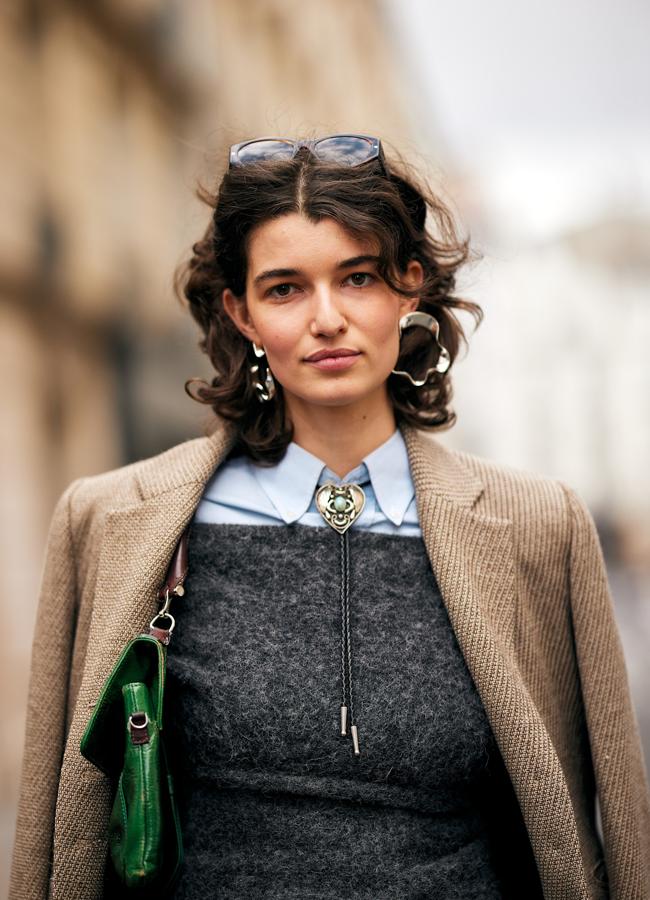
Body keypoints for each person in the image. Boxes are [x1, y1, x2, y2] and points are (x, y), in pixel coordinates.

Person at [9, 134, 650, 900]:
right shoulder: (110, 519)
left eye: (358, 278)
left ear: (409, 288)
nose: (327, 318)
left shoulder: (542, 526)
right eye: (284, 289)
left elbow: (619, 826)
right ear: (239, 312)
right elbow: (52, 829)